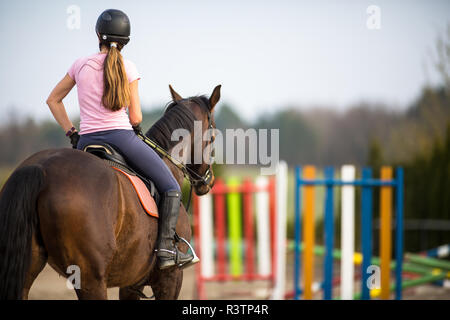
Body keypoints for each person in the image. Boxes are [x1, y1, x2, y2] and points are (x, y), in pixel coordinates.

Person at [46, 9, 193, 270]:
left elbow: (53, 100)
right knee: (171, 186)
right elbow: (135, 117)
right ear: (126, 40)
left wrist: (72, 132)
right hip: (121, 138)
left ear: (97, 35)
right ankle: (166, 251)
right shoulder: (129, 67)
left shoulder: (80, 64)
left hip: (85, 142)